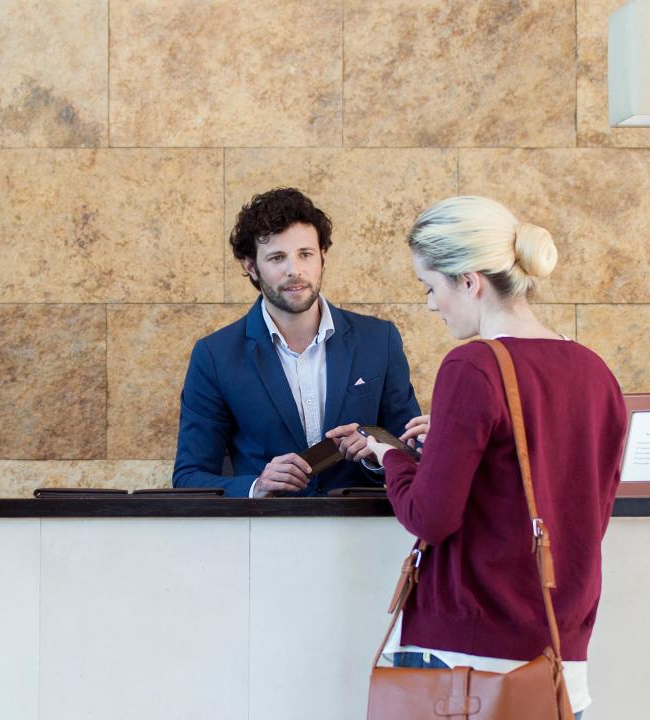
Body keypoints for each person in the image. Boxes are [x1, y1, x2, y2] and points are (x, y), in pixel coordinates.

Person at [365, 196, 627, 718]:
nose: (430, 305)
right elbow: (576, 499)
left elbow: (430, 517)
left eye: (430, 287)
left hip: (470, 660)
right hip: (561, 651)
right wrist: (452, 437)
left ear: (469, 281)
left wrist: (392, 456)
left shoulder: (473, 366)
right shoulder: (594, 371)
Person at [172, 187, 420, 498]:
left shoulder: (379, 340)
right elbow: (188, 477)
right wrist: (256, 486)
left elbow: (414, 455)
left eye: (305, 254)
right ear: (250, 266)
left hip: (361, 532)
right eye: (277, 258)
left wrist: (377, 453)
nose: (295, 270)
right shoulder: (215, 356)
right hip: (265, 535)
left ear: (322, 256)